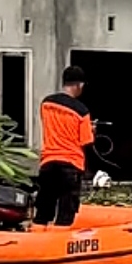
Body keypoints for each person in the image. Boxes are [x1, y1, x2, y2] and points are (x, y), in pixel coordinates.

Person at [33, 66, 94, 227]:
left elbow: (52, 125)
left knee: (43, 211)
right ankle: (60, 247)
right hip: (71, 165)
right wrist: (92, 129)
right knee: (65, 214)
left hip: (48, 163)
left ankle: (37, 243)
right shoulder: (82, 111)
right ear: (79, 85)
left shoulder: (46, 103)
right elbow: (86, 141)